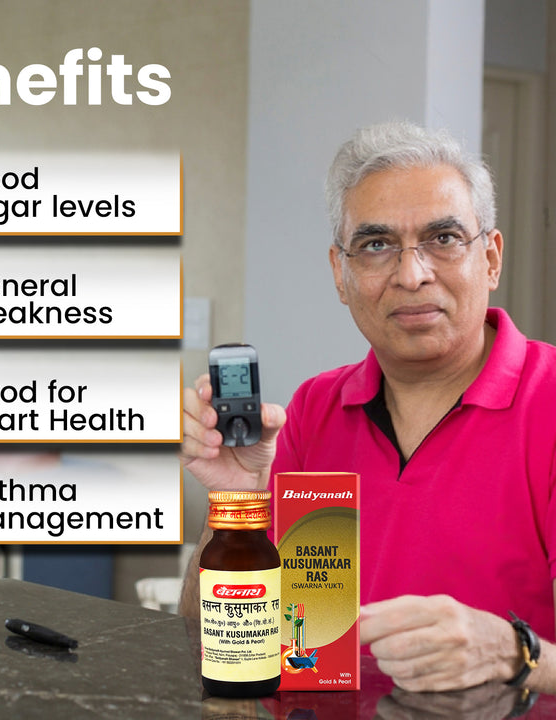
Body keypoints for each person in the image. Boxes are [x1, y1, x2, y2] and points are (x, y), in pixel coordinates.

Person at [179, 120, 556, 695]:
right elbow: (212, 642)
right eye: (377, 245)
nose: (412, 274)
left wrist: (514, 652)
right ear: (341, 272)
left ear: (492, 258)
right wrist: (238, 503)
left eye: (444, 239)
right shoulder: (312, 410)